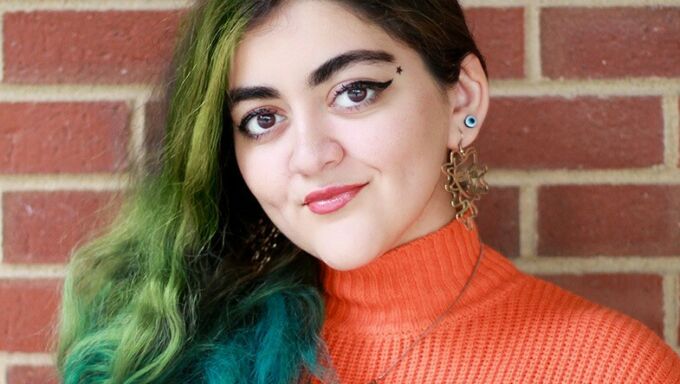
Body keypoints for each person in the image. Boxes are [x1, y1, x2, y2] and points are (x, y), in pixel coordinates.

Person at [55, 0, 680, 383]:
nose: (310, 155)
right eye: (262, 119)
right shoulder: (182, 351)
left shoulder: (611, 368)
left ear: (462, 98)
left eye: (353, 91)